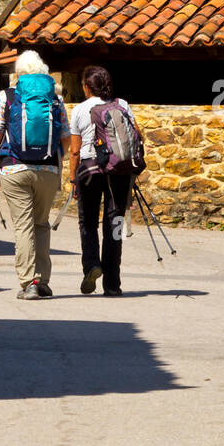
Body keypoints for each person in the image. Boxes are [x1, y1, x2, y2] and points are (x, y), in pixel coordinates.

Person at [0, 49, 70, 300]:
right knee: (41, 224)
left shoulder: (8, 96)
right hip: (49, 170)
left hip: (14, 167)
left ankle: (28, 282)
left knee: (23, 226)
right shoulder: (54, 98)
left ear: (19, 73)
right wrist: (53, 159)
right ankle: (42, 281)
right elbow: (66, 136)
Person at [69, 64, 138, 297]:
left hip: (89, 170)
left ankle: (91, 265)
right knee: (115, 224)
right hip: (118, 170)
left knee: (87, 221)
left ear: (87, 87)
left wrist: (72, 179)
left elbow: (75, 151)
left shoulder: (79, 109)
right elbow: (137, 135)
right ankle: (113, 284)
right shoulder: (122, 104)